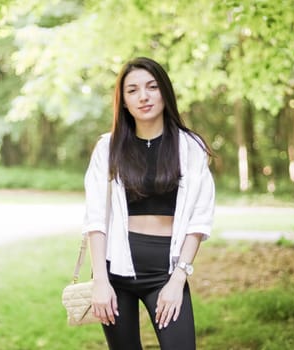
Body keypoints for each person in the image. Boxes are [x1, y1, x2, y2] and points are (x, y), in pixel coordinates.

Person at [82, 57, 215, 350]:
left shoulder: (190, 147)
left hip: (165, 273)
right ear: (124, 101)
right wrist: (100, 282)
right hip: (114, 272)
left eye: (152, 87)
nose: (143, 96)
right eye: (132, 90)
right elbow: (95, 220)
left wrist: (178, 278)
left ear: (164, 93)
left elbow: (199, 221)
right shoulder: (108, 147)